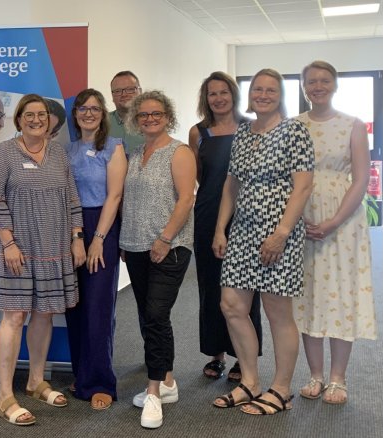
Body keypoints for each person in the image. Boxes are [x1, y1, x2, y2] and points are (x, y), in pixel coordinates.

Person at [212, 68, 314, 416]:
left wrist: (282, 232)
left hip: (278, 233)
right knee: (231, 305)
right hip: (242, 231)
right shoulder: (242, 132)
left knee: (277, 311)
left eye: (271, 90)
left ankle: (281, 389)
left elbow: (302, 187)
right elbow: (231, 185)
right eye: (258, 89)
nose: (263, 95)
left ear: (280, 95)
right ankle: (250, 381)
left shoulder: (295, 130)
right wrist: (220, 229)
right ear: (250, 94)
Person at [0, 93, 85, 426]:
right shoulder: (4, 153)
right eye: (29, 114)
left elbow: (71, 198)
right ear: (18, 119)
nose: (36, 119)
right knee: (14, 317)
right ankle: (4, 396)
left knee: (44, 314)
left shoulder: (58, 153)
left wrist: (77, 237)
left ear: (50, 119)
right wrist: (8, 243)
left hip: (53, 248)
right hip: (16, 250)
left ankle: (35, 381)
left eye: (41, 114)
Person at [293, 60, 377, 405]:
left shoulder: (353, 126)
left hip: (342, 220)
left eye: (324, 80)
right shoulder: (293, 126)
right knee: (308, 296)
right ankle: (314, 375)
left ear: (335, 85)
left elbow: (360, 180)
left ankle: (338, 378)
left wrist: (333, 221)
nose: (317, 86)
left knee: (341, 294)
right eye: (311, 81)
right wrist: (293, 222)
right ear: (303, 87)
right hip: (301, 216)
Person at [119, 90, 196, 429]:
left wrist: (165, 238)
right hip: (135, 246)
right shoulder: (135, 153)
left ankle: (153, 393)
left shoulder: (178, 152)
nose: (150, 119)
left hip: (171, 245)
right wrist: (125, 239)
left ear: (168, 116)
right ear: (136, 119)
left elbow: (186, 201)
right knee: (149, 315)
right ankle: (166, 382)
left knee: (155, 314)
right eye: (144, 115)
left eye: (157, 114)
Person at [187, 72, 263, 383]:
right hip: (207, 213)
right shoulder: (198, 132)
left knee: (246, 288)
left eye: (223, 92)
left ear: (233, 94)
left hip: (246, 216)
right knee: (210, 285)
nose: (218, 98)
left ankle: (240, 357)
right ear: (206, 99)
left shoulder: (252, 127)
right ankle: (215, 354)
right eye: (211, 94)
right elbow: (198, 173)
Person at [63, 89, 127, 410]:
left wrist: (98, 238)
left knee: (99, 306)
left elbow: (114, 196)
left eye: (95, 109)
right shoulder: (67, 150)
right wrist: (76, 235)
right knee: (74, 306)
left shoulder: (113, 148)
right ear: (75, 114)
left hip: (101, 225)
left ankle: (101, 381)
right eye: (83, 109)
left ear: (103, 114)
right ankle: (82, 374)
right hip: (72, 229)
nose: (89, 113)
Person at [108, 71, 145, 157]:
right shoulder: (101, 122)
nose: (124, 94)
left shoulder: (151, 122)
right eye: (118, 91)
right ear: (112, 96)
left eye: (130, 89)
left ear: (140, 92)